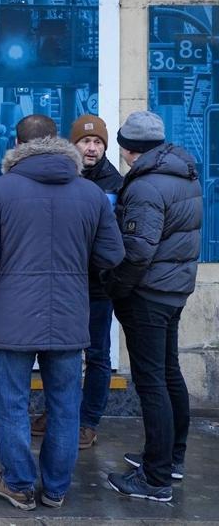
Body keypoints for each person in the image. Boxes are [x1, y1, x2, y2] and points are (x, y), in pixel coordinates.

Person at [0, 115, 124, 511]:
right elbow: (112, 254)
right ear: (58, 142)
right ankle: (55, 489)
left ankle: (18, 483)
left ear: (17, 144)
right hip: (70, 313)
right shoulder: (89, 194)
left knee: (12, 403)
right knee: (66, 405)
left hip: (14, 315)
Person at [103, 111, 201, 502]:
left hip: (147, 294)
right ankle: (171, 459)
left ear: (129, 149)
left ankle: (155, 479)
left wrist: (116, 286)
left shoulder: (144, 187)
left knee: (152, 383)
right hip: (174, 290)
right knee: (169, 372)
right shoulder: (184, 174)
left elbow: (138, 251)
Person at [31, 114, 124, 449]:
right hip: (64, 285)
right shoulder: (61, 177)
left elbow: (108, 242)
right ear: (73, 144)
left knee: (97, 355)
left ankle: (87, 422)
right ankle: (58, 413)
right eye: (86, 141)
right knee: (57, 352)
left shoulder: (112, 184)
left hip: (96, 288)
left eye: (98, 142)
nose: (92, 148)